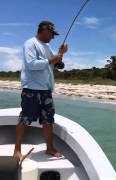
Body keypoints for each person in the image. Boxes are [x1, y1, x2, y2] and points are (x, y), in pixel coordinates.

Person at [13, 20, 68, 159]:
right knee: (25, 118)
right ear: (44, 30)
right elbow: (31, 64)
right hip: (31, 89)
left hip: (46, 90)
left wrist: (60, 54)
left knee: (48, 119)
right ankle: (17, 150)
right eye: (52, 34)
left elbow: (55, 65)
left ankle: (49, 149)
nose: (53, 37)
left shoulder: (47, 47)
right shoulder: (30, 43)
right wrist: (52, 60)